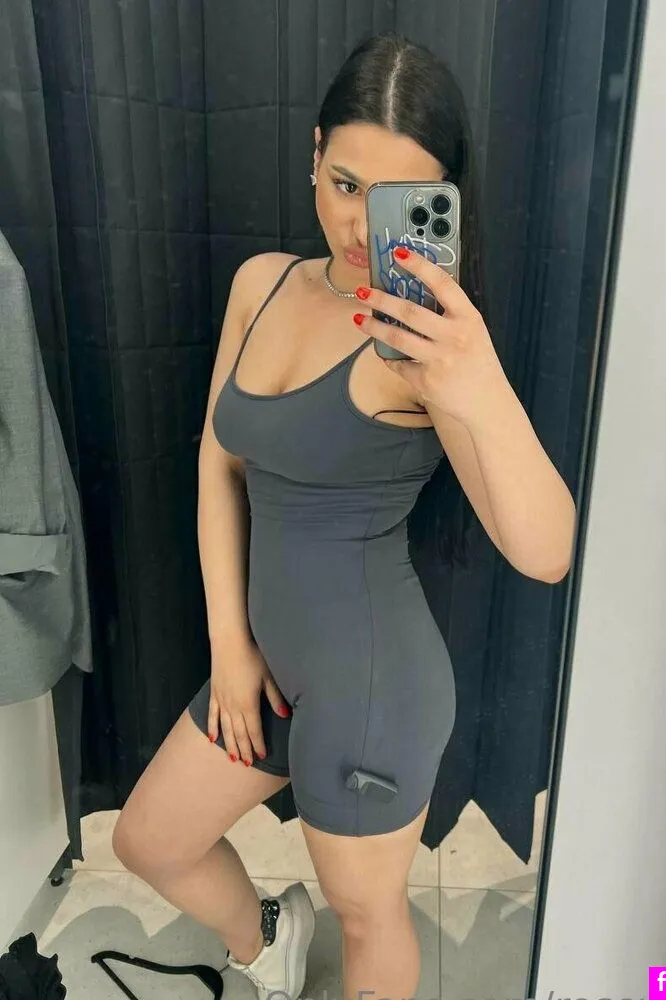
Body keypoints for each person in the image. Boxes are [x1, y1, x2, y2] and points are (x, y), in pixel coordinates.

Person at [111, 31, 575, 1000]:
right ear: (314, 153)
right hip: (265, 666)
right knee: (149, 839)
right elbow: (218, 459)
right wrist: (230, 645)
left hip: (372, 689)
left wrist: (478, 376)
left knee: (369, 917)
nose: (362, 227)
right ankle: (267, 939)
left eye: (397, 199)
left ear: (441, 202)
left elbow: (546, 552)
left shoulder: (424, 351)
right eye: (345, 184)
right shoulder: (262, 283)